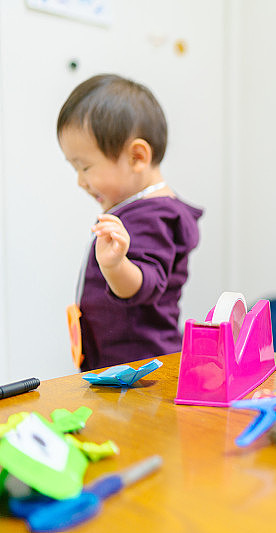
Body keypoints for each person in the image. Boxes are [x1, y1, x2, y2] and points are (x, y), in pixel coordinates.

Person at [57, 74, 203, 371]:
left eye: (85, 167)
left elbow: (146, 284)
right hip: (125, 366)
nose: (80, 182)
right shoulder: (140, 211)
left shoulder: (153, 217)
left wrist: (114, 266)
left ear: (137, 157)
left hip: (140, 371)